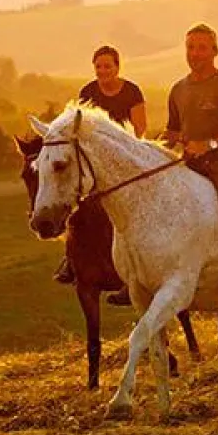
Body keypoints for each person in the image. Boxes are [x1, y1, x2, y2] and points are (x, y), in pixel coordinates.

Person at [162, 23, 218, 304]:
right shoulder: (178, 89)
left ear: (215, 51)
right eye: (190, 47)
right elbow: (173, 131)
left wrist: (209, 144)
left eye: (202, 48)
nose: (195, 53)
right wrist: (157, 147)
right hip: (190, 164)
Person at [53, 45, 147, 290]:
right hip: (95, 161)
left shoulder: (132, 91)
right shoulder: (88, 92)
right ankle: (70, 259)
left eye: (107, 66)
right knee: (77, 202)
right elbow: (79, 128)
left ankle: (140, 263)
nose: (103, 71)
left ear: (117, 67)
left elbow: (139, 129)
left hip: (124, 158)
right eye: (98, 66)